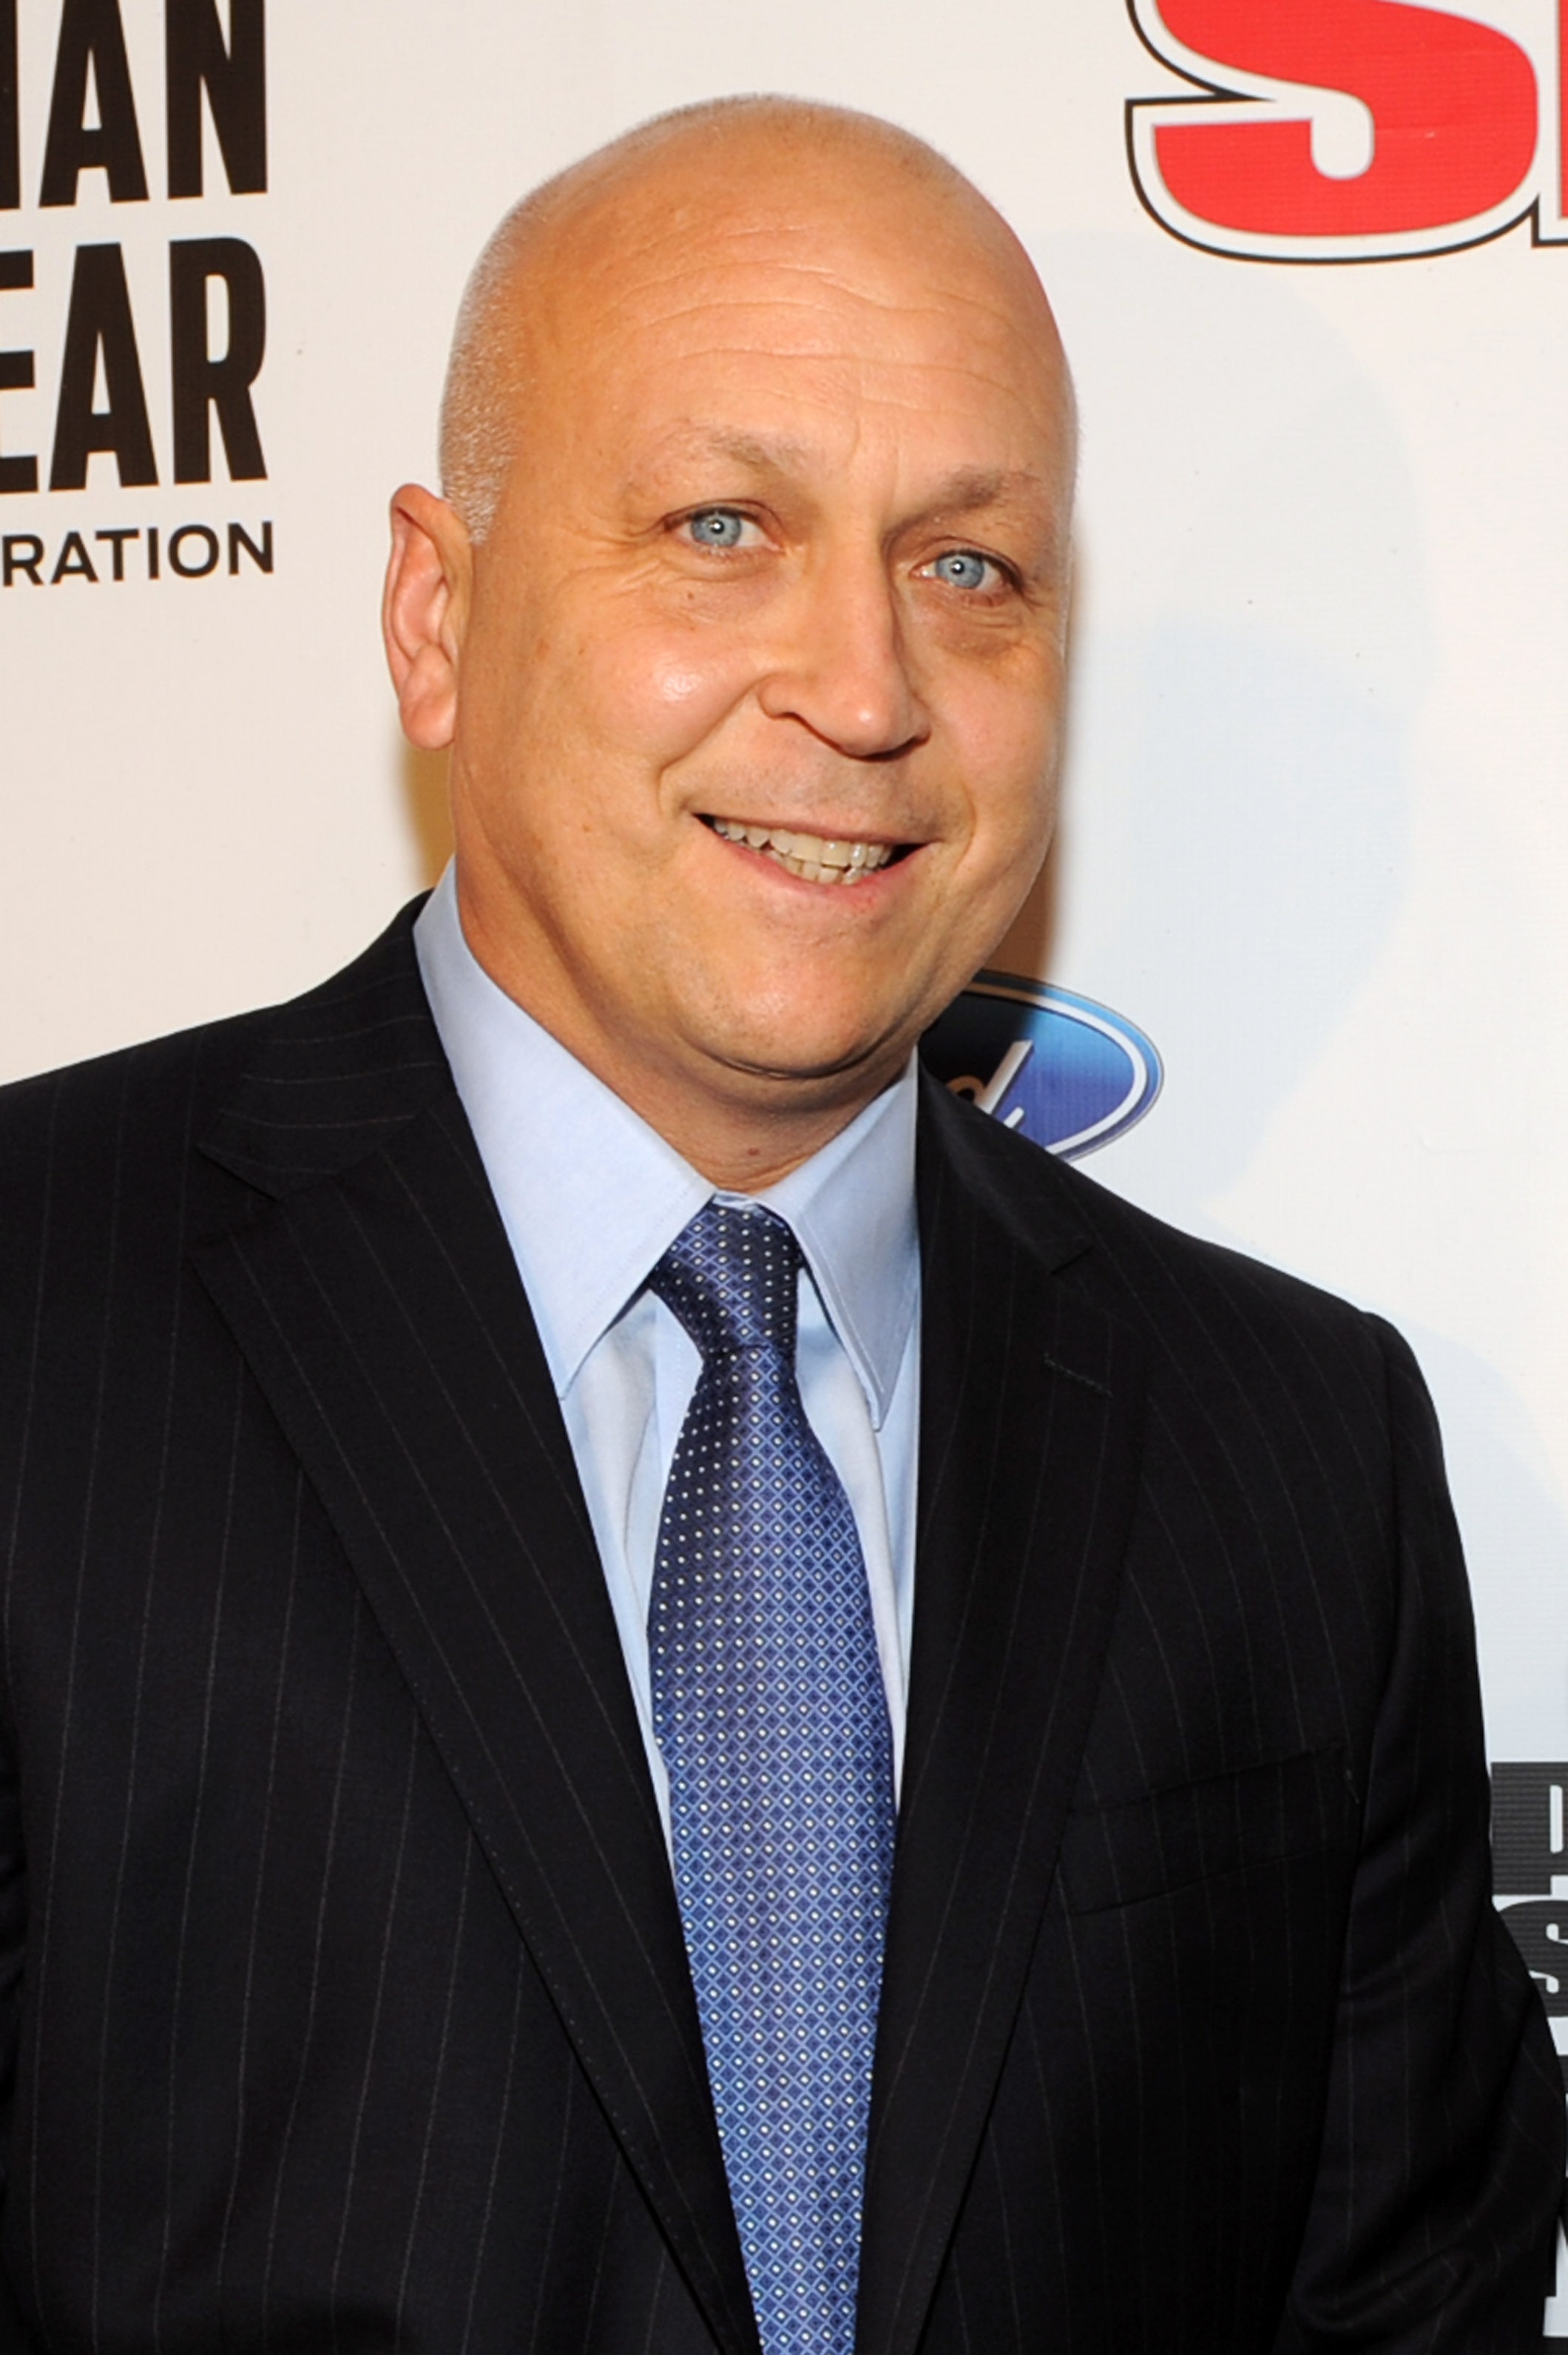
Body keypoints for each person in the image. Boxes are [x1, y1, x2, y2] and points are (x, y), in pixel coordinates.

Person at [0, 94, 1558, 2355]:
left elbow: (1409, 2298)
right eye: (723, 525)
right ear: (437, 620)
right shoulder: (38, 1323)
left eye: (970, 568)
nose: (864, 689)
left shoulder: (1299, 1447)